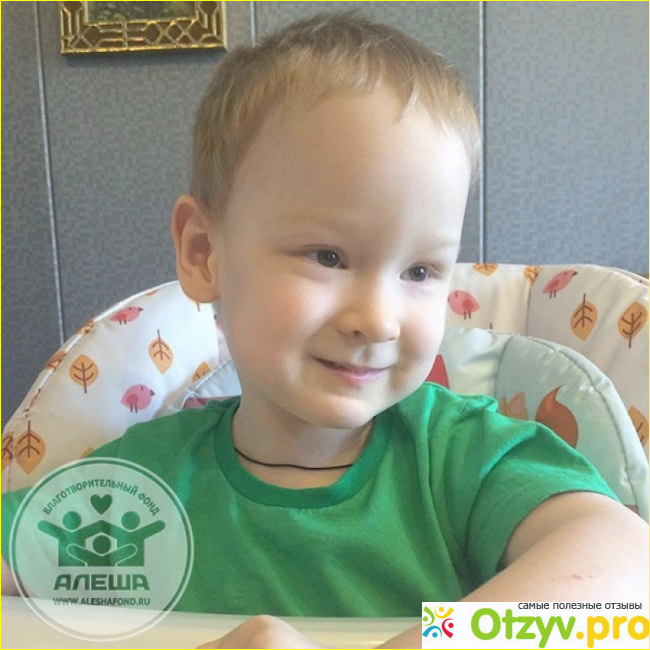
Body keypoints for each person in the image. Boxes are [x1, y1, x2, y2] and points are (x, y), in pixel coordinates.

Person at [2, 12, 647, 649]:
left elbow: (626, 572)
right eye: (328, 257)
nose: (378, 320)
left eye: (420, 271)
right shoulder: (142, 489)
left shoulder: (465, 460)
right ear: (205, 253)